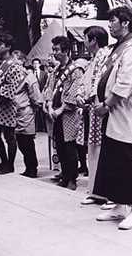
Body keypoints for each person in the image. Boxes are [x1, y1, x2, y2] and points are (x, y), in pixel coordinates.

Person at [93, 6, 132, 230]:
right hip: (111, 112)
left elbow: (126, 83)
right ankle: (119, 205)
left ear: (125, 23)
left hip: (122, 112)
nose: (109, 25)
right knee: (112, 160)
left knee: (126, 160)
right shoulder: (119, 47)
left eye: (113, 20)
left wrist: (106, 105)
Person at [76, 26, 111, 205]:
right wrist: (80, 95)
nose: (84, 42)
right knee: (94, 149)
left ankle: (105, 192)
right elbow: (85, 82)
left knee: (103, 149)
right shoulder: (93, 59)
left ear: (93, 40)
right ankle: (96, 190)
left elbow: (100, 81)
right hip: (93, 109)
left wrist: (87, 96)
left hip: (103, 109)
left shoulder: (106, 56)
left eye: (85, 38)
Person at [43, 36, 84, 190]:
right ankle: (64, 175)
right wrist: (48, 104)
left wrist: (61, 109)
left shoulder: (75, 70)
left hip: (68, 115)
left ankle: (72, 178)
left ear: (66, 51)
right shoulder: (55, 70)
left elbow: (75, 91)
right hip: (55, 115)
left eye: (57, 50)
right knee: (59, 146)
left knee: (69, 147)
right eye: (53, 49)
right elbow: (49, 89)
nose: (54, 53)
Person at [0, 40, 24, 175]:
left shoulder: (15, 65)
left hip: (7, 104)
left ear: (9, 47)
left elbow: (11, 86)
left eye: (1, 44)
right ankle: (3, 160)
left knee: (9, 136)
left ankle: (10, 164)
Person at [12, 52, 44, 178]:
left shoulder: (28, 75)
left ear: (21, 61)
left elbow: (35, 95)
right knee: (20, 141)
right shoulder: (13, 75)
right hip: (15, 112)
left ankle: (32, 168)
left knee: (27, 141)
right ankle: (28, 167)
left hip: (25, 111)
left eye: (14, 60)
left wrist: (35, 106)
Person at [32, 58, 48, 132]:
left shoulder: (44, 73)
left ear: (39, 64)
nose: (35, 65)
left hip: (42, 94)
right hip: (34, 95)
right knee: (35, 112)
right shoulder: (30, 73)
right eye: (34, 64)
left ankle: (44, 127)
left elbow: (46, 84)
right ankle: (36, 128)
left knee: (43, 112)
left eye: (37, 63)